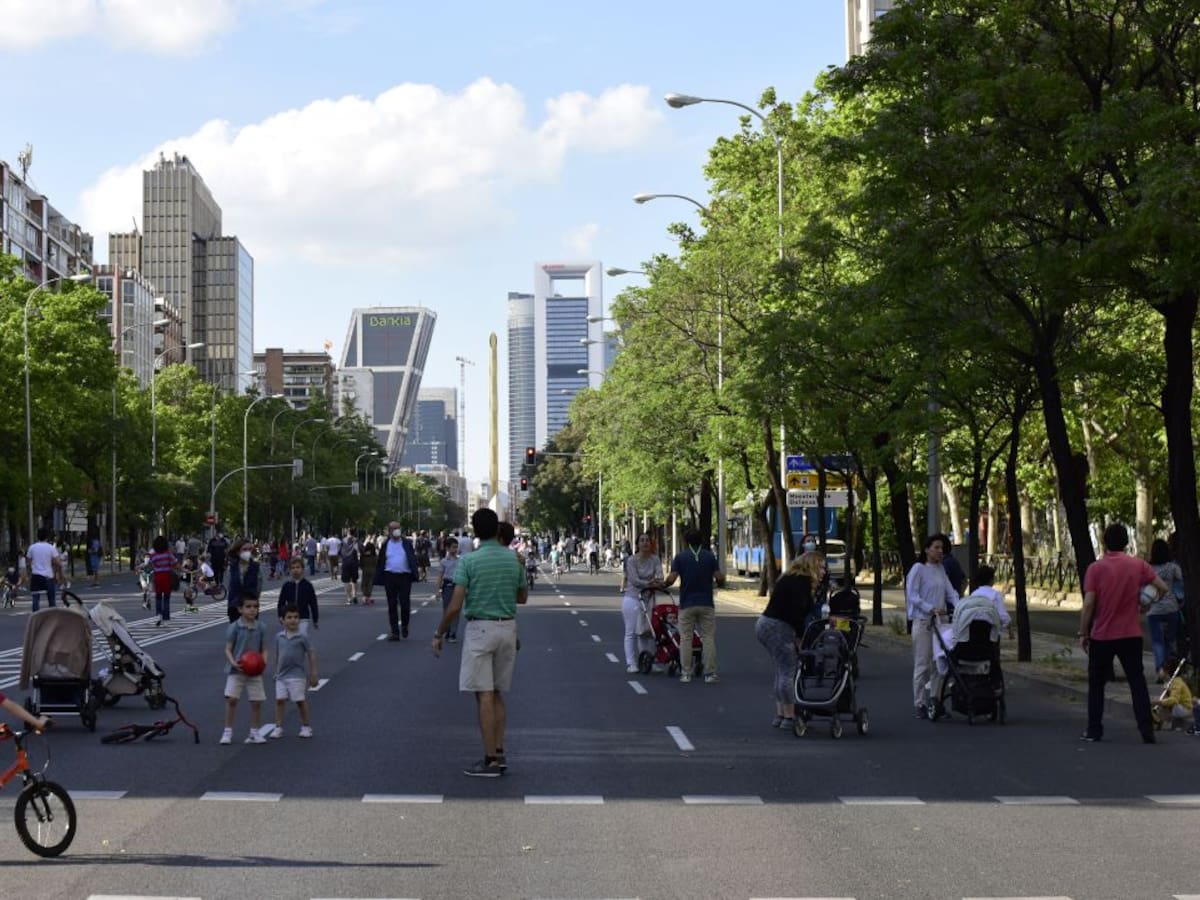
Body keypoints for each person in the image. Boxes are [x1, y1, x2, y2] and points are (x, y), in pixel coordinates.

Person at [432, 508, 527, 777]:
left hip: (479, 629)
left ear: (474, 530)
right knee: (497, 693)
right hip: (507, 627)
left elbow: (454, 606)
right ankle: (499, 751)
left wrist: (439, 633)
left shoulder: (468, 562)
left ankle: (489, 760)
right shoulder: (513, 560)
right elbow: (522, 598)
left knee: (483, 694)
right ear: (497, 529)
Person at [1079, 523, 1168, 743]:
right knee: (1137, 682)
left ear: (1105, 542)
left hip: (1102, 635)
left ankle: (1094, 730)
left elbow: (1089, 603)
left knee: (1097, 684)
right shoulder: (1138, 565)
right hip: (1131, 633)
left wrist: (1083, 632)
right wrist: (1147, 602)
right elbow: (1162, 587)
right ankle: (1146, 731)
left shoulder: (1095, 569)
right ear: (1126, 542)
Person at [757, 551, 824, 728]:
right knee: (788, 671)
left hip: (765, 624)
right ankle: (789, 716)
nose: (824, 571)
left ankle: (780, 714)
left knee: (781, 670)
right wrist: (800, 638)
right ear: (812, 566)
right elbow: (797, 613)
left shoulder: (788, 578)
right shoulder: (801, 583)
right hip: (779, 627)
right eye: (821, 566)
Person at [662, 527, 726, 684]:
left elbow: (672, 578)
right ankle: (710, 673)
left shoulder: (680, 557)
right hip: (706, 603)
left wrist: (663, 584)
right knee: (708, 638)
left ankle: (686, 673)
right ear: (702, 540)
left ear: (686, 541)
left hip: (687, 603)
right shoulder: (709, 556)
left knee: (686, 638)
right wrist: (718, 581)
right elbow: (719, 577)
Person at [905, 535, 958, 719]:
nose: (940, 551)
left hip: (940, 623)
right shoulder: (918, 569)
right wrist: (930, 608)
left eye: (942, 548)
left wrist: (961, 608)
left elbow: (951, 593)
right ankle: (919, 702)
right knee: (923, 664)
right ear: (927, 549)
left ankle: (935, 701)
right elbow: (912, 595)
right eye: (936, 547)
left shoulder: (941, 569)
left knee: (939, 663)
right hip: (924, 622)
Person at [220, 594, 268, 745]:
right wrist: (233, 662)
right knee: (232, 700)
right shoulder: (234, 627)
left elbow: (265, 648)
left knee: (256, 702)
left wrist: (263, 662)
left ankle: (255, 732)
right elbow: (228, 648)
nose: (252, 610)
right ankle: (227, 731)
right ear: (240, 609)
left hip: (255, 671)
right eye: (248, 607)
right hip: (237, 669)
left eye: (255, 607)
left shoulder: (261, 627)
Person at [268, 603, 318, 739]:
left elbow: (311, 653)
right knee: (279, 700)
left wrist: (313, 673)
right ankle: (278, 727)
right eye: (289, 617)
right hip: (281, 675)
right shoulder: (279, 637)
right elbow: (277, 655)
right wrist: (276, 671)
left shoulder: (302, 637)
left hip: (297, 675)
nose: (293, 620)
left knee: (300, 701)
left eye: (296, 617)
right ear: (282, 620)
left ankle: (306, 726)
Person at [621, 533, 666, 674]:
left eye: (647, 540)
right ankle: (631, 663)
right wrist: (649, 583)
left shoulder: (655, 559)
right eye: (642, 540)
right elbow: (634, 580)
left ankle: (647, 662)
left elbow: (660, 576)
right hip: (633, 598)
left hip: (649, 598)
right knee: (631, 631)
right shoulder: (631, 560)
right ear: (637, 544)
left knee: (646, 632)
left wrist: (655, 583)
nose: (645, 543)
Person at [375, 520, 418, 640]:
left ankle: (404, 625)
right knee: (392, 604)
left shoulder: (406, 543)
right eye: (394, 528)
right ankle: (395, 631)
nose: (396, 530)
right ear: (389, 531)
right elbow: (381, 560)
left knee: (405, 603)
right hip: (390, 576)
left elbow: (412, 557)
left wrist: (415, 571)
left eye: (398, 528)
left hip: (405, 576)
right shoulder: (385, 544)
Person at [1146, 538, 1184, 673]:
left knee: (1157, 641)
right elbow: (1180, 585)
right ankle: (1169, 668)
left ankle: (1160, 668)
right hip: (1171, 608)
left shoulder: (1148, 569)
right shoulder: (1173, 567)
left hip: (1154, 609)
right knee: (1170, 640)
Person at [1151, 657, 1199, 733]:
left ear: (1167, 671)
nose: (1160, 671)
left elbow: (1174, 700)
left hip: (1185, 708)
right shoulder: (1170, 681)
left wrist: (1159, 702)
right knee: (1162, 700)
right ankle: (1164, 721)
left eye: (1162, 669)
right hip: (1181, 706)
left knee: (1165, 703)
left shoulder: (1176, 682)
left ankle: (1164, 722)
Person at [964, 565, 1012, 639]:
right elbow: (1003, 616)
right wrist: (1006, 629)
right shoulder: (995, 595)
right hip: (991, 634)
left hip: (975, 633)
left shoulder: (974, 594)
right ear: (991, 579)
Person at [278, 557, 319, 635]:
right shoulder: (287, 585)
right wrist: (280, 615)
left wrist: (315, 619)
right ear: (290, 570)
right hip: (289, 617)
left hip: (303, 617)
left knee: (301, 636)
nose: (295, 570)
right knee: (290, 637)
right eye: (293, 568)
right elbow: (281, 602)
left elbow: (313, 603)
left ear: (302, 569)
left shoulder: (308, 585)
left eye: (298, 567)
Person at [226, 540, 262, 624]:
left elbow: (258, 588)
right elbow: (230, 586)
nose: (247, 552)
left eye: (250, 549)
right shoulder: (232, 567)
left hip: (251, 607)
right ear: (238, 552)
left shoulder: (256, 567)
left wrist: (253, 601)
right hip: (234, 606)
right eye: (245, 549)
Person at [26, 528, 61, 612]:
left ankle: (35, 617)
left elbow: (28, 562)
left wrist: (30, 572)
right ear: (47, 537)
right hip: (48, 576)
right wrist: (58, 573)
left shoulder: (32, 547)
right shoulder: (50, 548)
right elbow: (58, 563)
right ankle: (52, 618)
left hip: (36, 576)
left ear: (37, 536)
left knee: (35, 599)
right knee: (51, 600)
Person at [149, 534, 178, 626]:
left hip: (157, 577)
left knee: (158, 597)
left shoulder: (154, 555)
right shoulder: (168, 554)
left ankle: (158, 615)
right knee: (166, 598)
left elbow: (150, 565)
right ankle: (166, 618)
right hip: (167, 577)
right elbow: (175, 563)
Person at [436, 537, 461, 642]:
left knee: (456, 610)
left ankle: (453, 633)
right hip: (447, 586)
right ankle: (447, 629)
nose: (455, 550)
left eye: (456, 547)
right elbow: (440, 576)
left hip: (458, 586)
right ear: (447, 548)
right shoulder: (444, 562)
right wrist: (438, 590)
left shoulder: (461, 560)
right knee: (447, 610)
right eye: (453, 547)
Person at [936, 533, 967, 606]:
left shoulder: (944, 564)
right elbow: (964, 580)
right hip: (955, 602)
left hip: (947, 605)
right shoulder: (953, 560)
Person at [359, 533, 378, 605]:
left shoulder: (363, 555)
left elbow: (361, 563)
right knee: (370, 584)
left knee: (364, 583)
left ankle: (364, 596)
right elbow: (376, 563)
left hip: (365, 570)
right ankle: (368, 596)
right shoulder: (374, 555)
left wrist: (362, 567)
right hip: (373, 570)